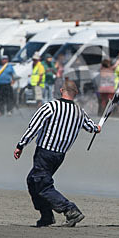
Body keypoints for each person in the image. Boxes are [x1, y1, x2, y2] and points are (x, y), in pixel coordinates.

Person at [14, 79, 99, 227]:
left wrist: (21, 145)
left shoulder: (51, 107)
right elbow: (91, 127)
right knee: (32, 180)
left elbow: (34, 126)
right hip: (60, 155)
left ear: (61, 90)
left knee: (42, 185)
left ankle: (70, 210)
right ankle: (46, 215)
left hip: (45, 152)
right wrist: (98, 128)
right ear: (76, 93)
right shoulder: (80, 111)